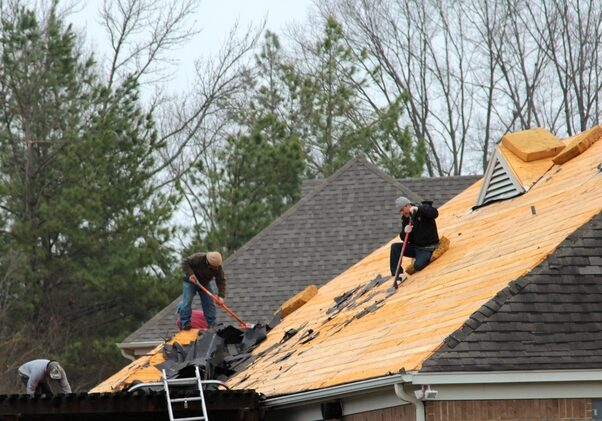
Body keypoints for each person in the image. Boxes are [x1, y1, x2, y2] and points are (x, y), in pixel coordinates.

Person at [390, 196, 440, 280]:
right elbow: (404, 239)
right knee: (395, 247)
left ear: (407, 205)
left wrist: (419, 209)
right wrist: (405, 232)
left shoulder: (422, 209)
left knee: (418, 266)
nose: (402, 213)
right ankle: (398, 275)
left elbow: (434, 213)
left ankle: (421, 258)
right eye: (400, 211)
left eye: (402, 210)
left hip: (427, 248)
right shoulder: (406, 219)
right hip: (416, 247)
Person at [180, 251, 226, 329]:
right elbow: (185, 263)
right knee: (187, 300)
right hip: (190, 282)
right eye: (214, 267)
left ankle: (212, 324)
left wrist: (221, 296)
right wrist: (190, 274)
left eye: (217, 267)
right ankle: (185, 323)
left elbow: (221, 280)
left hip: (204, 283)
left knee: (209, 302)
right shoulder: (199, 258)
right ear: (208, 262)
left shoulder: (218, 267)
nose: (216, 269)